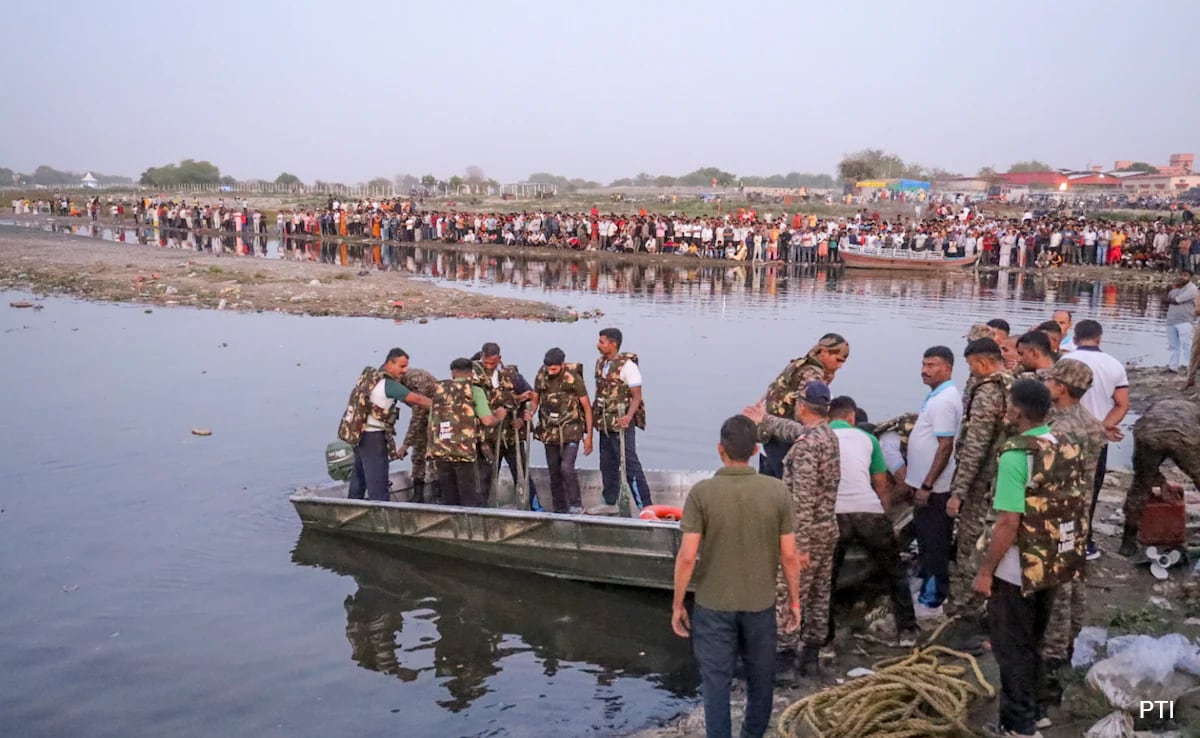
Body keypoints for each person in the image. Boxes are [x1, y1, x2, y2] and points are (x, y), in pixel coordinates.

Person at [671, 416, 803, 738]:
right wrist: (795, 602)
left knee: (716, 683)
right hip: (760, 604)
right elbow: (789, 555)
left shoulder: (702, 493)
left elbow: (688, 556)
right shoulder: (777, 491)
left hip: (713, 606)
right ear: (756, 449)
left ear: (720, 450)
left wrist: (677, 605)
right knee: (761, 680)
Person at [973, 379, 1088, 738]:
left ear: (1017, 411)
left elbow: (1008, 522)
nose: (1006, 408)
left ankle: (1019, 727)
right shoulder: (1066, 443)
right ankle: (1035, 712)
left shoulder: (1015, 455)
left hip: (1018, 566)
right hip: (1055, 560)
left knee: (1011, 649)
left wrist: (985, 571)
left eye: (1009, 403)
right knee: (1033, 641)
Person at [743, 381, 840, 676]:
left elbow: (803, 499)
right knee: (819, 595)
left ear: (801, 406)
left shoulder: (807, 447)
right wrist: (766, 420)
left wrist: (799, 547)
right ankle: (810, 656)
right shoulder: (827, 434)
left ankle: (783, 661)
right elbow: (794, 431)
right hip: (828, 529)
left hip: (806, 533)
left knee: (789, 595)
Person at [1039, 359, 1106, 723]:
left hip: (1056, 520)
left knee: (1056, 595)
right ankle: (1063, 656)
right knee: (1072, 589)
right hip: (1078, 517)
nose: (1047, 383)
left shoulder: (1061, 429)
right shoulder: (1091, 423)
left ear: (1061, 387)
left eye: (1051, 380)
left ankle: (1049, 680)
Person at [826, 395, 918, 646]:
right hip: (867, 511)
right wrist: (884, 518)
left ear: (828, 417)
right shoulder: (867, 438)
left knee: (826, 579)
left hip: (835, 514)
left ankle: (825, 642)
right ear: (852, 417)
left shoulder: (817, 438)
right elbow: (881, 485)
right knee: (895, 572)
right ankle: (907, 631)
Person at [906, 346, 961, 616]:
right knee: (926, 540)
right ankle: (928, 587)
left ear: (948, 368)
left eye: (932, 365)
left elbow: (945, 446)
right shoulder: (936, 397)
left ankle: (934, 599)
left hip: (936, 489)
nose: (925, 370)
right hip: (926, 485)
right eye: (924, 364)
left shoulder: (945, 401)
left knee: (935, 542)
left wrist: (927, 485)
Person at [1068, 320, 1129, 559]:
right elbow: (1122, 404)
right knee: (1091, 489)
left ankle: (1062, 539)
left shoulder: (1065, 362)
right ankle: (1085, 541)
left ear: (1075, 338)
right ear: (1099, 338)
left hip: (1067, 436)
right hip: (1096, 439)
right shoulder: (1113, 365)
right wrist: (1104, 427)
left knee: (1064, 488)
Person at [337, 348, 432, 502]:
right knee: (378, 481)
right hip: (373, 438)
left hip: (358, 434)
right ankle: (382, 513)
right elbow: (418, 400)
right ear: (389, 363)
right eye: (401, 366)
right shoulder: (388, 384)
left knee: (359, 478)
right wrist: (443, 407)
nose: (404, 371)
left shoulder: (370, 378)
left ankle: (352, 505)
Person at [758, 334, 850, 479]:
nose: (839, 366)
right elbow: (808, 412)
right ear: (824, 352)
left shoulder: (799, 364)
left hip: (769, 434)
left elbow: (772, 391)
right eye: (838, 360)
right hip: (783, 439)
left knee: (768, 489)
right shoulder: (812, 374)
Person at [1121, 399, 1200, 556]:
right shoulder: (1194, 411)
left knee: (1141, 483)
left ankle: (1128, 541)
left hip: (1148, 434)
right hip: (1187, 437)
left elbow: (1141, 467)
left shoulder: (1154, 410)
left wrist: (1158, 480)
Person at [428, 358, 506, 507]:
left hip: (441, 451)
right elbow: (487, 421)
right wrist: (499, 416)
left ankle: (452, 526)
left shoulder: (439, 390)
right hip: (465, 452)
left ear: (452, 373)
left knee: (449, 496)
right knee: (469, 496)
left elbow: (432, 420)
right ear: (471, 373)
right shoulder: (474, 390)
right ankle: (472, 527)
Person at [473, 343, 542, 510]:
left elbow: (531, 397)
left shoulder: (511, 375)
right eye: (486, 363)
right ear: (481, 357)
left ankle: (535, 508)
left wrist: (523, 418)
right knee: (485, 477)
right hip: (486, 439)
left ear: (499, 359)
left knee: (521, 473)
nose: (489, 367)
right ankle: (479, 510)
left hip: (511, 436)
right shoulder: (473, 377)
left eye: (493, 363)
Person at [593, 328, 652, 507]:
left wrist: (628, 417)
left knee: (629, 464)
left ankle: (645, 505)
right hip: (605, 424)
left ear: (613, 344)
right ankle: (610, 501)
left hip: (621, 425)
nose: (598, 345)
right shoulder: (600, 363)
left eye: (602, 342)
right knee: (607, 464)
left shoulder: (628, 367)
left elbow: (637, 397)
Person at [532, 348, 594, 514]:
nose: (550, 372)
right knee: (554, 470)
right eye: (548, 369)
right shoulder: (541, 375)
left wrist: (589, 437)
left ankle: (576, 505)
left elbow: (587, 408)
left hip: (571, 430)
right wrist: (529, 413)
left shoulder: (573, 377)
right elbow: (535, 400)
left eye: (554, 369)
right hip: (549, 430)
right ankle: (559, 508)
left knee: (566, 467)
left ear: (562, 365)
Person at [396, 366, 437, 502]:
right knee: (418, 455)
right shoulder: (401, 383)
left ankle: (437, 495)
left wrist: (405, 446)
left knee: (434, 456)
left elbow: (417, 417)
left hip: (438, 418)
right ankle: (418, 494)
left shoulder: (417, 381)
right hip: (426, 416)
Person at [1165, 270, 1197, 373]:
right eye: (1182, 275)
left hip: (1185, 320)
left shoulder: (1193, 289)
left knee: (1186, 345)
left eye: (1185, 275)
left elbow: (1177, 300)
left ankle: (1190, 367)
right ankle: (1173, 367)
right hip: (1171, 319)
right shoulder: (1176, 288)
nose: (1182, 277)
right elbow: (1167, 299)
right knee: (1173, 345)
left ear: (1190, 277)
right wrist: (1170, 292)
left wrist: (1171, 296)